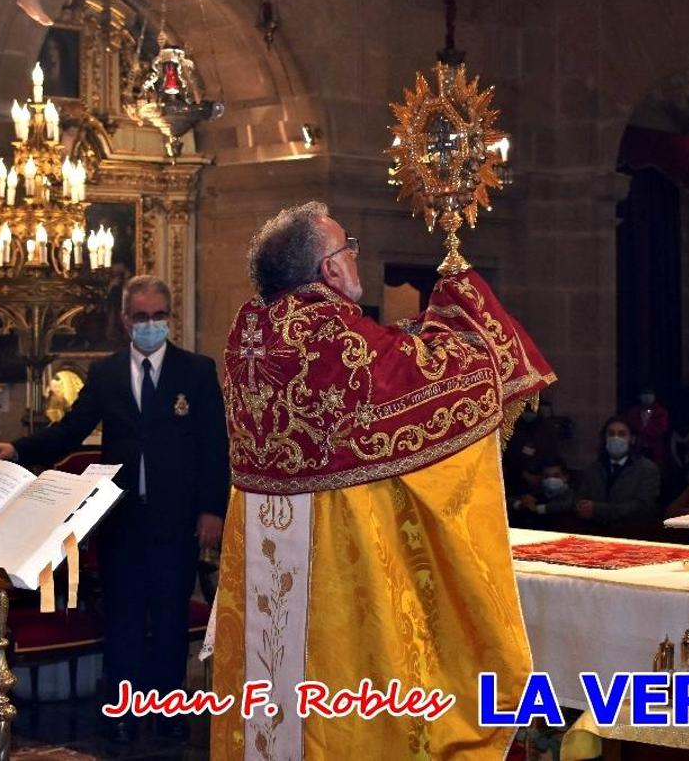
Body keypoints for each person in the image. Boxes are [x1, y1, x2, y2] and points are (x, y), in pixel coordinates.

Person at [209, 202, 555, 759]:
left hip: (265, 568)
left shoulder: (249, 336)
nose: (355, 256)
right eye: (349, 246)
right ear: (331, 270)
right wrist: (461, 304)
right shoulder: (334, 342)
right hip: (339, 579)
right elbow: (458, 373)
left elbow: (382, 364)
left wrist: (418, 329)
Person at [0, 275, 229, 743]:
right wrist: (15, 448)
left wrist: (212, 510)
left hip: (177, 520)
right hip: (121, 520)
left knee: (171, 619)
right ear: (124, 320)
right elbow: (70, 431)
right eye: (141, 317)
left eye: (158, 316)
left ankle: (169, 715)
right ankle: (125, 715)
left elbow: (214, 446)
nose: (150, 324)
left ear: (168, 318)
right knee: (125, 620)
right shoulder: (108, 374)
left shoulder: (195, 371)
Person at [573, 417, 661, 528]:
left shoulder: (647, 469)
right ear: (604, 438)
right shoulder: (593, 468)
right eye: (611, 434)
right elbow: (579, 498)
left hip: (631, 532)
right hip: (595, 531)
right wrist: (580, 507)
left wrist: (598, 509)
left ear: (632, 439)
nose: (615, 438)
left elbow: (643, 506)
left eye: (622, 434)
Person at [509, 459, 574, 527]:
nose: (551, 480)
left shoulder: (571, 495)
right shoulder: (539, 492)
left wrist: (537, 508)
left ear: (566, 477)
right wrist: (521, 504)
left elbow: (564, 505)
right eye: (546, 476)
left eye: (556, 476)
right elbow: (509, 500)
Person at [625, 386, 670, 468]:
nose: (647, 396)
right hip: (638, 448)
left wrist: (645, 429)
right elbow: (630, 427)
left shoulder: (661, 412)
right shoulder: (633, 412)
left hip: (654, 449)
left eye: (649, 394)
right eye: (645, 393)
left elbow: (661, 430)